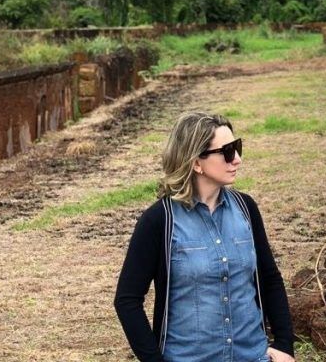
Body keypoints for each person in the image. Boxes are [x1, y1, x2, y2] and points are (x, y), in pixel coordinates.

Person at [114, 112, 295, 362]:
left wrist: (285, 344)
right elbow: (127, 301)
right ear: (196, 162)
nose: (238, 159)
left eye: (238, 147)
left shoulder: (246, 209)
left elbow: (269, 278)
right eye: (228, 151)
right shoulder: (160, 221)